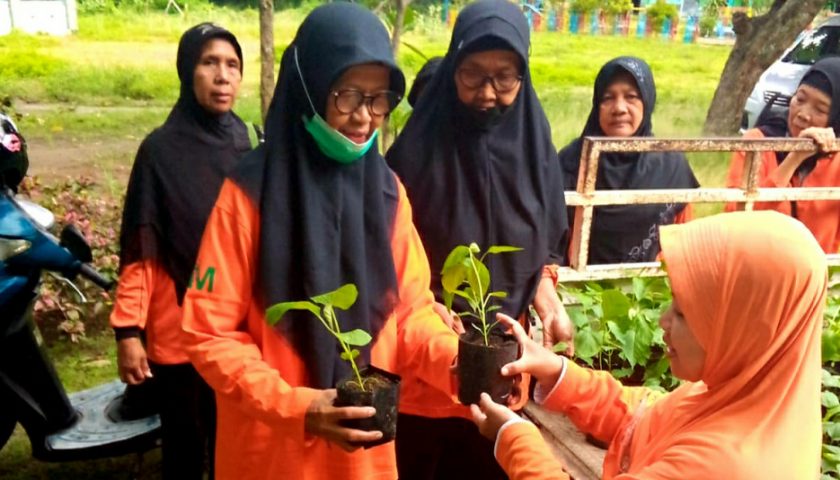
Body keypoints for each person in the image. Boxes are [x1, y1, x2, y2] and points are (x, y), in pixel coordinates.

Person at [179, 4, 460, 479]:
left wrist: (457, 361)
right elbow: (210, 332)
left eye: (379, 100)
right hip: (271, 448)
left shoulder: (389, 194)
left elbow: (411, 313)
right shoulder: (249, 194)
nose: (364, 118)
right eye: (348, 95)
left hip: (362, 453)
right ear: (308, 86)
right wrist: (297, 407)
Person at [470, 210, 825, 479]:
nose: (663, 320)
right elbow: (642, 417)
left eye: (685, 314)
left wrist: (515, 438)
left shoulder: (726, 465)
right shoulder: (745, 399)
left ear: (748, 329)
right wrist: (556, 370)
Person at [387, 1, 571, 478]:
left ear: (522, 77)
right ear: (452, 70)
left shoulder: (535, 150)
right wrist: (425, 306)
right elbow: (383, 252)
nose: (488, 92)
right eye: (472, 74)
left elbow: (544, 241)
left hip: (505, 371)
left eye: (505, 77)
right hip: (424, 376)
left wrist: (546, 292)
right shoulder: (415, 153)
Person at [110, 22, 249, 480]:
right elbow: (141, 247)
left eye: (232, 65)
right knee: (186, 446)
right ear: (187, 71)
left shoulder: (244, 143)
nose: (223, 76)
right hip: (178, 331)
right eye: (209, 63)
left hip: (234, 325)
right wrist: (129, 331)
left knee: (235, 437)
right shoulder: (160, 151)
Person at [559, 57, 699, 265]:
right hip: (576, 290)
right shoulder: (571, 163)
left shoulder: (670, 164)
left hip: (651, 288)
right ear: (597, 105)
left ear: (647, 101)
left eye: (631, 97)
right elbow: (552, 239)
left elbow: (684, 241)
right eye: (608, 98)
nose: (619, 108)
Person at [726, 57, 840, 254]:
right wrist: (794, 159)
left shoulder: (836, 157)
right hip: (758, 267)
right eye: (800, 99)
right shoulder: (758, 142)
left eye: (820, 110)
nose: (803, 114)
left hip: (817, 276)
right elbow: (739, 217)